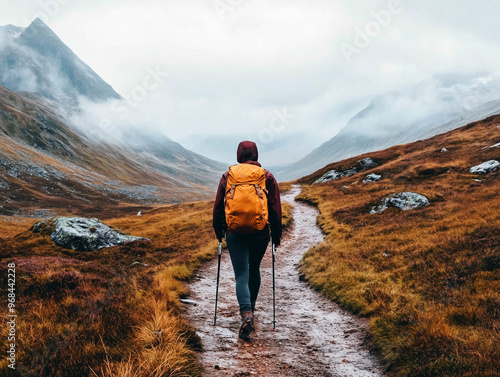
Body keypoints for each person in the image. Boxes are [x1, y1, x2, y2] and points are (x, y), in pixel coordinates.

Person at [212, 140, 282, 339]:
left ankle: (246, 314)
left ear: (239, 155)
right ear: (256, 155)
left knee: (241, 273)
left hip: (235, 233)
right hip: (260, 233)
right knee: (254, 268)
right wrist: (276, 235)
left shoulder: (228, 176)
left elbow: (218, 207)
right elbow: (275, 208)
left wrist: (219, 231)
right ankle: (251, 308)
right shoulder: (266, 176)